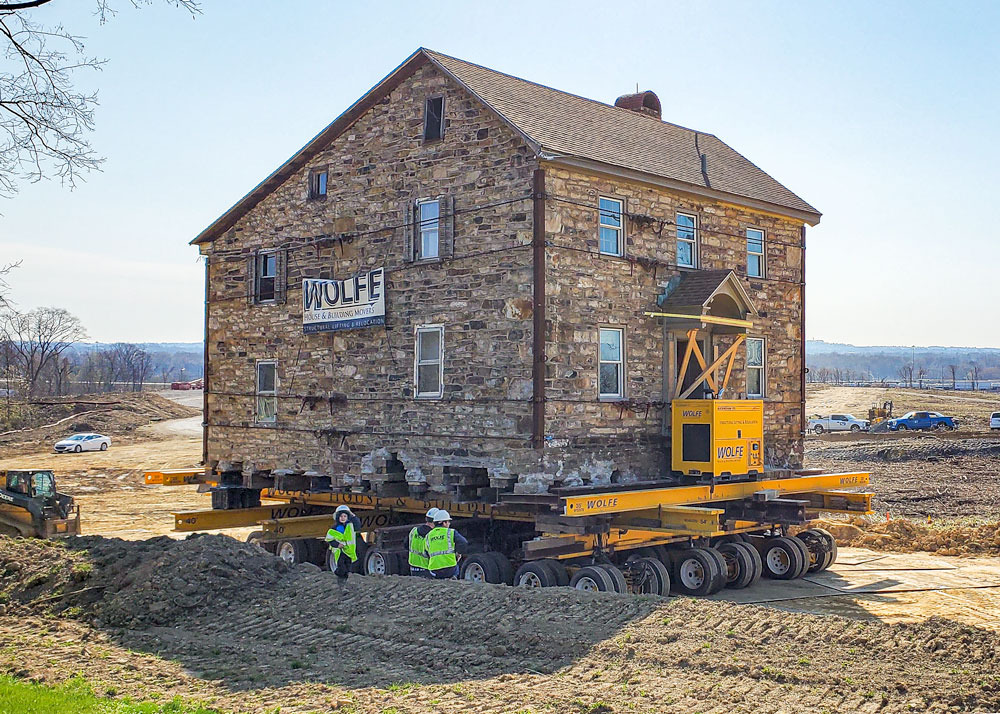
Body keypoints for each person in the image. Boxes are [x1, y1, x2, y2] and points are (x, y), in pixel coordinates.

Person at [424, 510, 468, 579]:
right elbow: (463, 542)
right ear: (443, 523)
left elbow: (426, 551)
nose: (449, 524)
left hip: (434, 569)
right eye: (448, 521)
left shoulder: (428, 535)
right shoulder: (451, 532)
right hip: (450, 568)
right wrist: (458, 554)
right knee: (456, 569)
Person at [325, 504, 358, 585]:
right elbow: (329, 539)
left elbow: (358, 526)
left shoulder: (350, 526)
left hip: (349, 551)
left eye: (345, 516)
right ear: (337, 517)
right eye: (341, 516)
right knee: (341, 567)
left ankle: (344, 582)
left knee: (348, 567)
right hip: (339, 551)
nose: (343, 518)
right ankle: (339, 578)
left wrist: (353, 516)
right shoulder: (334, 528)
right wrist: (337, 545)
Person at [408, 507, 439, 577]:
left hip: (413, 568)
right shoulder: (432, 535)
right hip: (427, 569)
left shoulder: (414, 531)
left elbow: (406, 545)